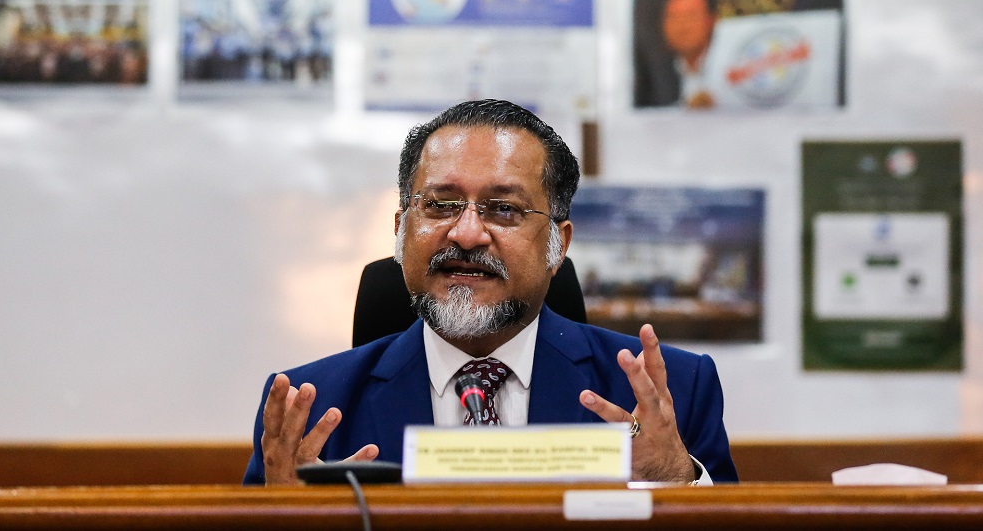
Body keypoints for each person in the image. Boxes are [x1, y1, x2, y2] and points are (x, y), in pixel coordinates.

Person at [243, 99, 737, 485]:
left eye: (503, 209)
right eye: (440, 204)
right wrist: (283, 518)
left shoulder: (667, 395)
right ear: (400, 231)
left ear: (557, 244)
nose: (467, 233)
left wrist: (676, 482)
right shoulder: (306, 408)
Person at [634, 0, 717, 109]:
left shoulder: (737, 63)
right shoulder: (649, 73)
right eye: (673, 17)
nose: (682, 27)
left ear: (712, 20)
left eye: (691, 16)